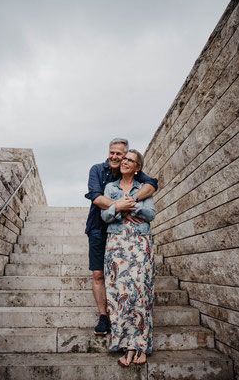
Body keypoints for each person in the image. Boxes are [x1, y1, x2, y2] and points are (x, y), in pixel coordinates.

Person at [85, 138, 158, 336]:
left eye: (121, 154)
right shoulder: (97, 170)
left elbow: (151, 185)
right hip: (99, 228)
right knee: (98, 274)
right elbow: (96, 197)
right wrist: (121, 209)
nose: (116, 157)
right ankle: (103, 316)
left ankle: (128, 320)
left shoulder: (133, 171)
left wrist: (131, 202)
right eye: (113, 153)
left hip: (123, 230)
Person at [101, 149, 156, 366]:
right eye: (124, 159)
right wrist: (117, 207)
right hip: (116, 243)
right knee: (118, 294)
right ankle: (125, 344)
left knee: (141, 292)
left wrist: (131, 205)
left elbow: (151, 214)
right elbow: (104, 215)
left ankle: (140, 345)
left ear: (137, 168)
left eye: (130, 160)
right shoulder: (110, 187)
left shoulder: (144, 188)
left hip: (140, 243)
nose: (124, 162)